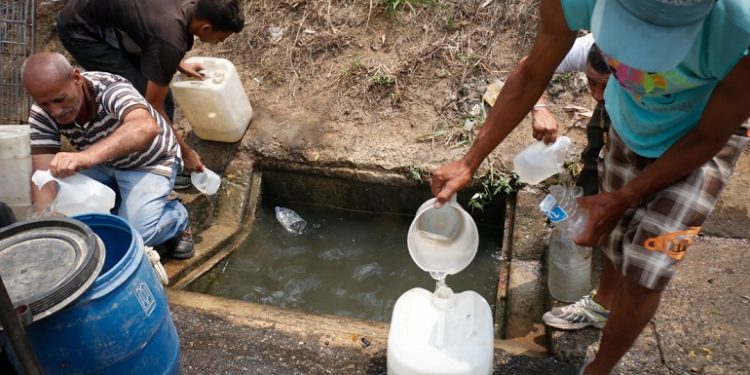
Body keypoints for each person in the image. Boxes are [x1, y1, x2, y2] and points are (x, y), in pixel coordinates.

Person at [430, 1, 750, 374]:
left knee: (647, 273)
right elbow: (534, 71)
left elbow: (710, 136)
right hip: (628, 121)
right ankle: (601, 305)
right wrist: (470, 161)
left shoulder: (739, 32)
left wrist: (624, 198)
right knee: (611, 236)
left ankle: (600, 368)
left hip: (700, 140)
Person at [23, 52, 195, 260]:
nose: (56, 111)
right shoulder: (43, 114)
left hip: (149, 161)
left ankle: (177, 217)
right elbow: (42, 176)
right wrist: (47, 225)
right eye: (45, 104)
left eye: (60, 99)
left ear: (76, 79)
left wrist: (86, 157)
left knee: (133, 236)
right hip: (104, 161)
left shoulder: (110, 88)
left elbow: (145, 127)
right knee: (70, 213)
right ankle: (124, 202)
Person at [56, 0, 245, 186]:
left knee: (158, 92)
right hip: (82, 30)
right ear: (205, 28)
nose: (220, 42)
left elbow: (150, 32)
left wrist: (175, 63)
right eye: (221, 38)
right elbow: (154, 106)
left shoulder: (187, 9)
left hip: (105, 18)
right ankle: (159, 165)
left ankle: (163, 154)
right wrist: (187, 153)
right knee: (138, 96)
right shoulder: (169, 38)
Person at [530, 33, 611, 196]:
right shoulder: (583, 49)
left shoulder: (655, 74)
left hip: (645, 106)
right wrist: (538, 108)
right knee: (595, 151)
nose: (596, 95)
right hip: (620, 98)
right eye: (592, 82)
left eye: (607, 86)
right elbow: (529, 70)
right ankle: (583, 204)